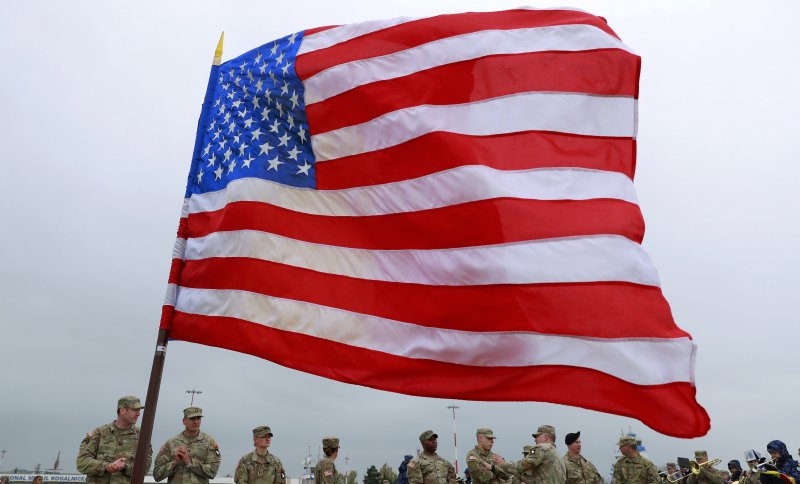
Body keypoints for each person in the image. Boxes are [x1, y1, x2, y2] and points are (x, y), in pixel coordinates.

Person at [77, 395, 153, 484]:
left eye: (139, 410)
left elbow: (144, 469)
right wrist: (106, 466)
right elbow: (81, 463)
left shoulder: (142, 436)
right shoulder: (99, 433)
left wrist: (125, 467)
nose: (138, 414)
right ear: (122, 410)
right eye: (134, 410)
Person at [153, 407, 221, 484]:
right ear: (184, 421)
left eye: (198, 418)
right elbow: (157, 475)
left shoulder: (209, 442)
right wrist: (174, 462)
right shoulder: (171, 443)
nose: (196, 422)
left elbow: (212, 472)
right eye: (192, 418)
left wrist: (190, 462)